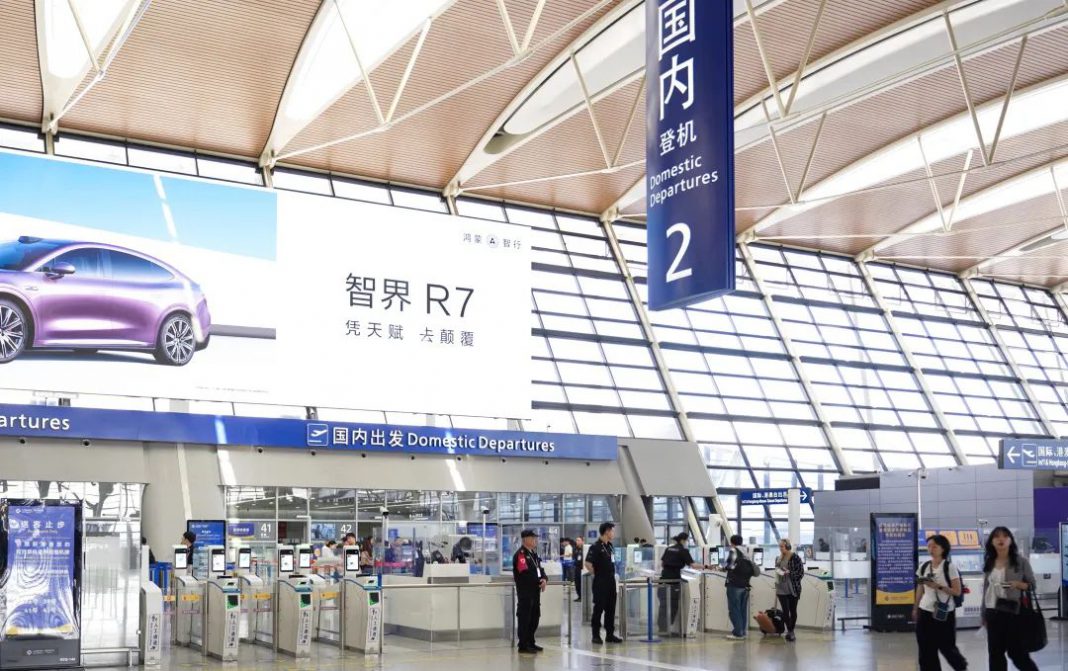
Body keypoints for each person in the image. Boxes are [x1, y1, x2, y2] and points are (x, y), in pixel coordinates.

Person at [982, 527, 1039, 671]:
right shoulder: (989, 561)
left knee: (1017, 653)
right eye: (997, 536)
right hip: (992, 611)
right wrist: (983, 614)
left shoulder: (1021, 561)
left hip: (1013, 611)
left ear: (1010, 540)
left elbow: (1032, 585)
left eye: (1005, 536)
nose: (1001, 539)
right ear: (992, 541)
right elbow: (986, 589)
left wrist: (1018, 584)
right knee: (995, 653)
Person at [913, 534, 968, 671]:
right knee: (925, 648)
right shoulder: (924, 566)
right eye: (929, 546)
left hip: (944, 613)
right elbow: (920, 588)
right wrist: (915, 608)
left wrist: (937, 586)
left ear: (943, 548)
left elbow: (957, 591)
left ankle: (961, 667)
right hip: (925, 611)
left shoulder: (949, 567)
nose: (931, 549)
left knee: (947, 647)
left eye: (934, 546)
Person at [657, 532, 705, 635]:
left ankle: (662, 628)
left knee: (663, 606)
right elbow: (693, 565)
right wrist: (706, 566)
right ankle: (666, 629)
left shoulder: (669, 549)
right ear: (683, 540)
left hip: (663, 580)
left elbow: (662, 563)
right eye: (687, 540)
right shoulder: (683, 551)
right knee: (673, 606)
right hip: (674, 581)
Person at [586, 522, 623, 644]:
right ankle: (595, 635)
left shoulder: (610, 546)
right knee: (599, 609)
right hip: (600, 582)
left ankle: (610, 634)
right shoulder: (595, 547)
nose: (613, 533)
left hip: (611, 582)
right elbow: (588, 564)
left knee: (610, 609)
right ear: (607, 531)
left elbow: (613, 562)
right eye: (612, 531)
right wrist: (597, 574)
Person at [513, 530, 548, 655]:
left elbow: (540, 569)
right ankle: (523, 644)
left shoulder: (533, 554)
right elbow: (524, 573)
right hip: (526, 592)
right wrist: (538, 581)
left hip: (535, 592)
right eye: (532, 538)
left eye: (535, 538)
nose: (535, 540)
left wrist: (544, 579)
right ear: (525, 539)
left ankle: (531, 642)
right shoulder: (521, 555)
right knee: (525, 618)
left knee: (534, 617)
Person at [724, 534, 757, 641]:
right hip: (745, 585)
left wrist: (722, 567)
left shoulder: (734, 550)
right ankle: (742, 631)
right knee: (743, 609)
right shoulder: (746, 552)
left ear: (732, 542)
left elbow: (729, 566)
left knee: (734, 609)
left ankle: (738, 633)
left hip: (734, 584)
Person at [774, 538, 804, 641]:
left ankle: (791, 630)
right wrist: (779, 573)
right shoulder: (778, 558)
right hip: (781, 588)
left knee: (793, 610)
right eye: (779, 546)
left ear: (787, 546)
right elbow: (776, 570)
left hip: (792, 588)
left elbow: (800, 573)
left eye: (782, 546)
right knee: (785, 611)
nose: (780, 548)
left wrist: (789, 573)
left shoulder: (795, 557)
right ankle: (790, 631)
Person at [573, 537, 585, 602]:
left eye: (578, 540)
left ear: (582, 541)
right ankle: (579, 596)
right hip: (577, 568)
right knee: (577, 583)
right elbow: (574, 557)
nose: (577, 541)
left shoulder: (584, 549)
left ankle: (583, 596)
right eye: (576, 540)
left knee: (581, 583)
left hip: (583, 568)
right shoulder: (575, 549)